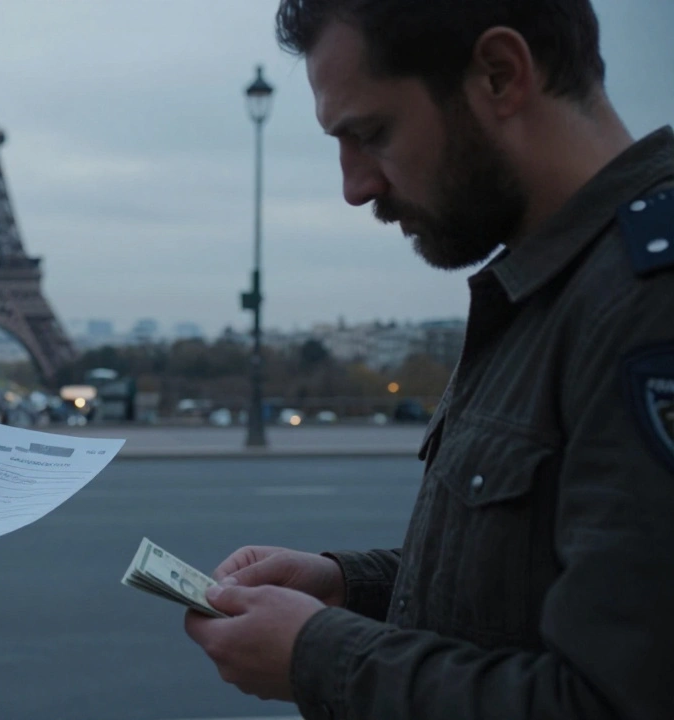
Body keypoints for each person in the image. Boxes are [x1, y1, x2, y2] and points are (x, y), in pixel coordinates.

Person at [184, 1, 674, 718]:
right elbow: (541, 579)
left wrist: (316, 653)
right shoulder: (563, 286)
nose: (356, 187)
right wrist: (346, 586)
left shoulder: (647, 305)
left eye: (371, 133)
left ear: (501, 76)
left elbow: (615, 700)